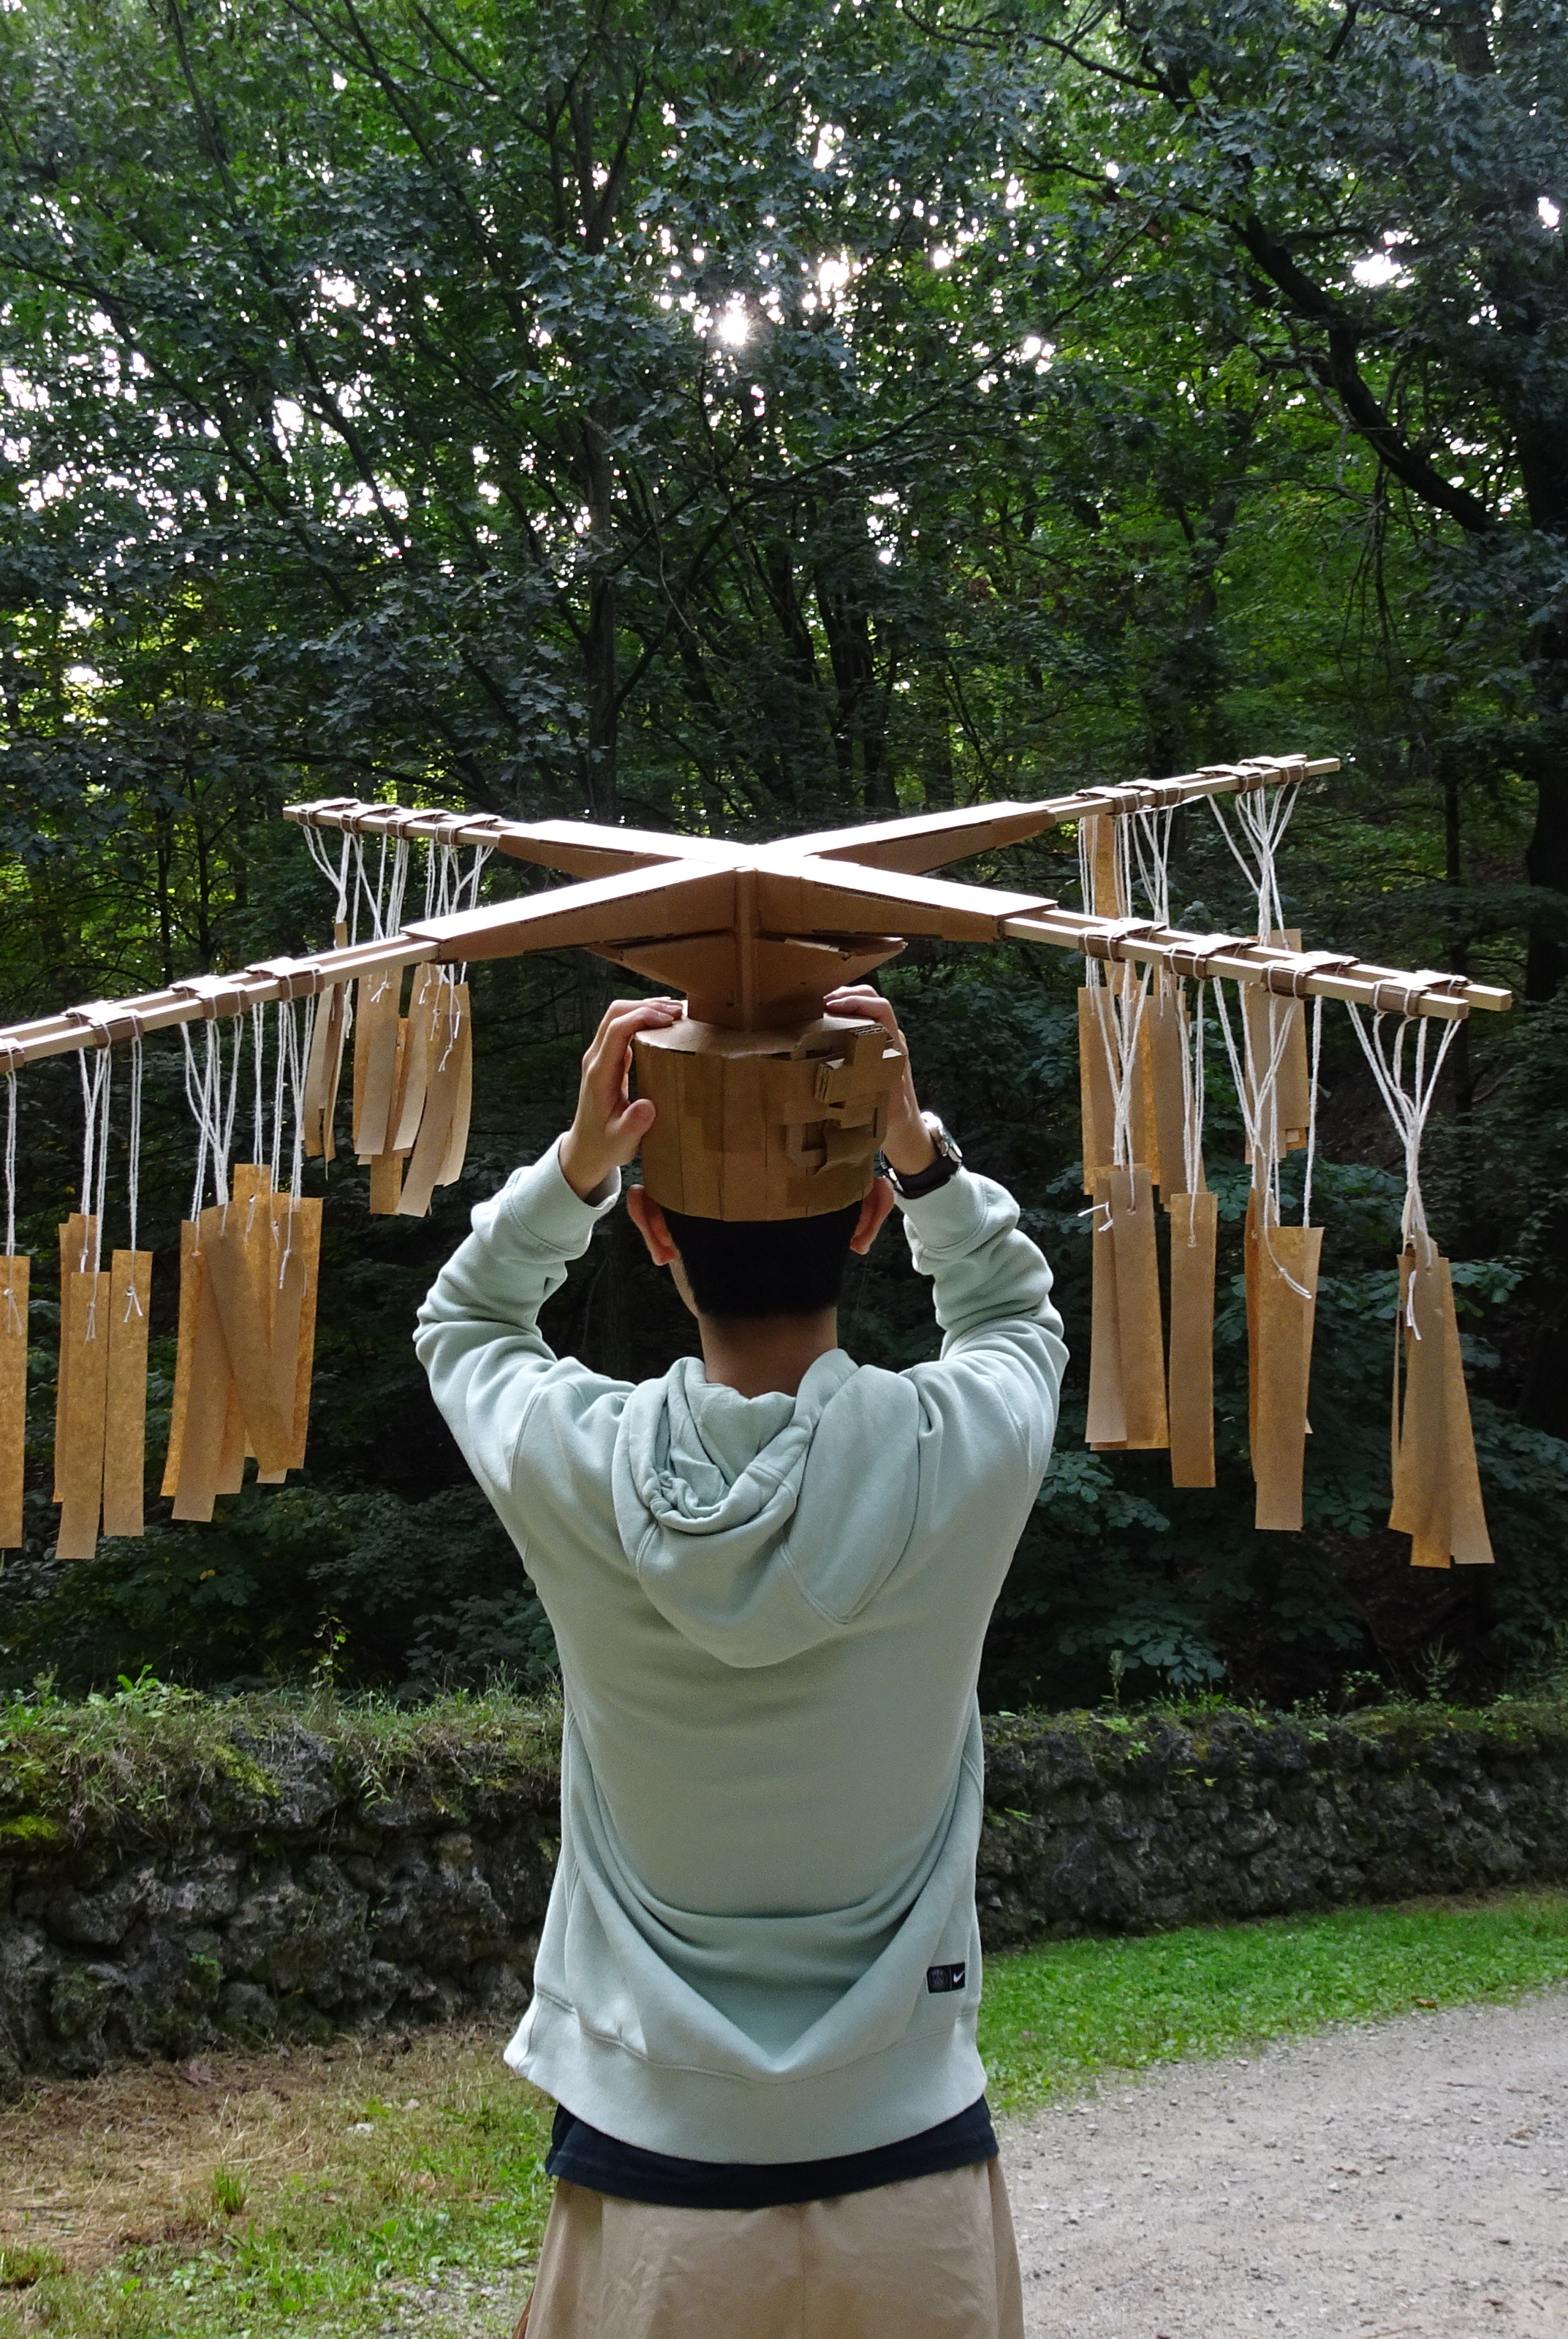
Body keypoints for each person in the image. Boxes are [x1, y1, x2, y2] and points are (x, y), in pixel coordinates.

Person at [414, 985, 1066, 2339]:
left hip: (656, 2183)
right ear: (873, 1221)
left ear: (651, 1232)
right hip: (914, 2179)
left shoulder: (577, 1463)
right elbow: (1014, 1311)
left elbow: (466, 1323)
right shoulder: (963, 1452)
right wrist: (923, 1150)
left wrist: (574, 1169)